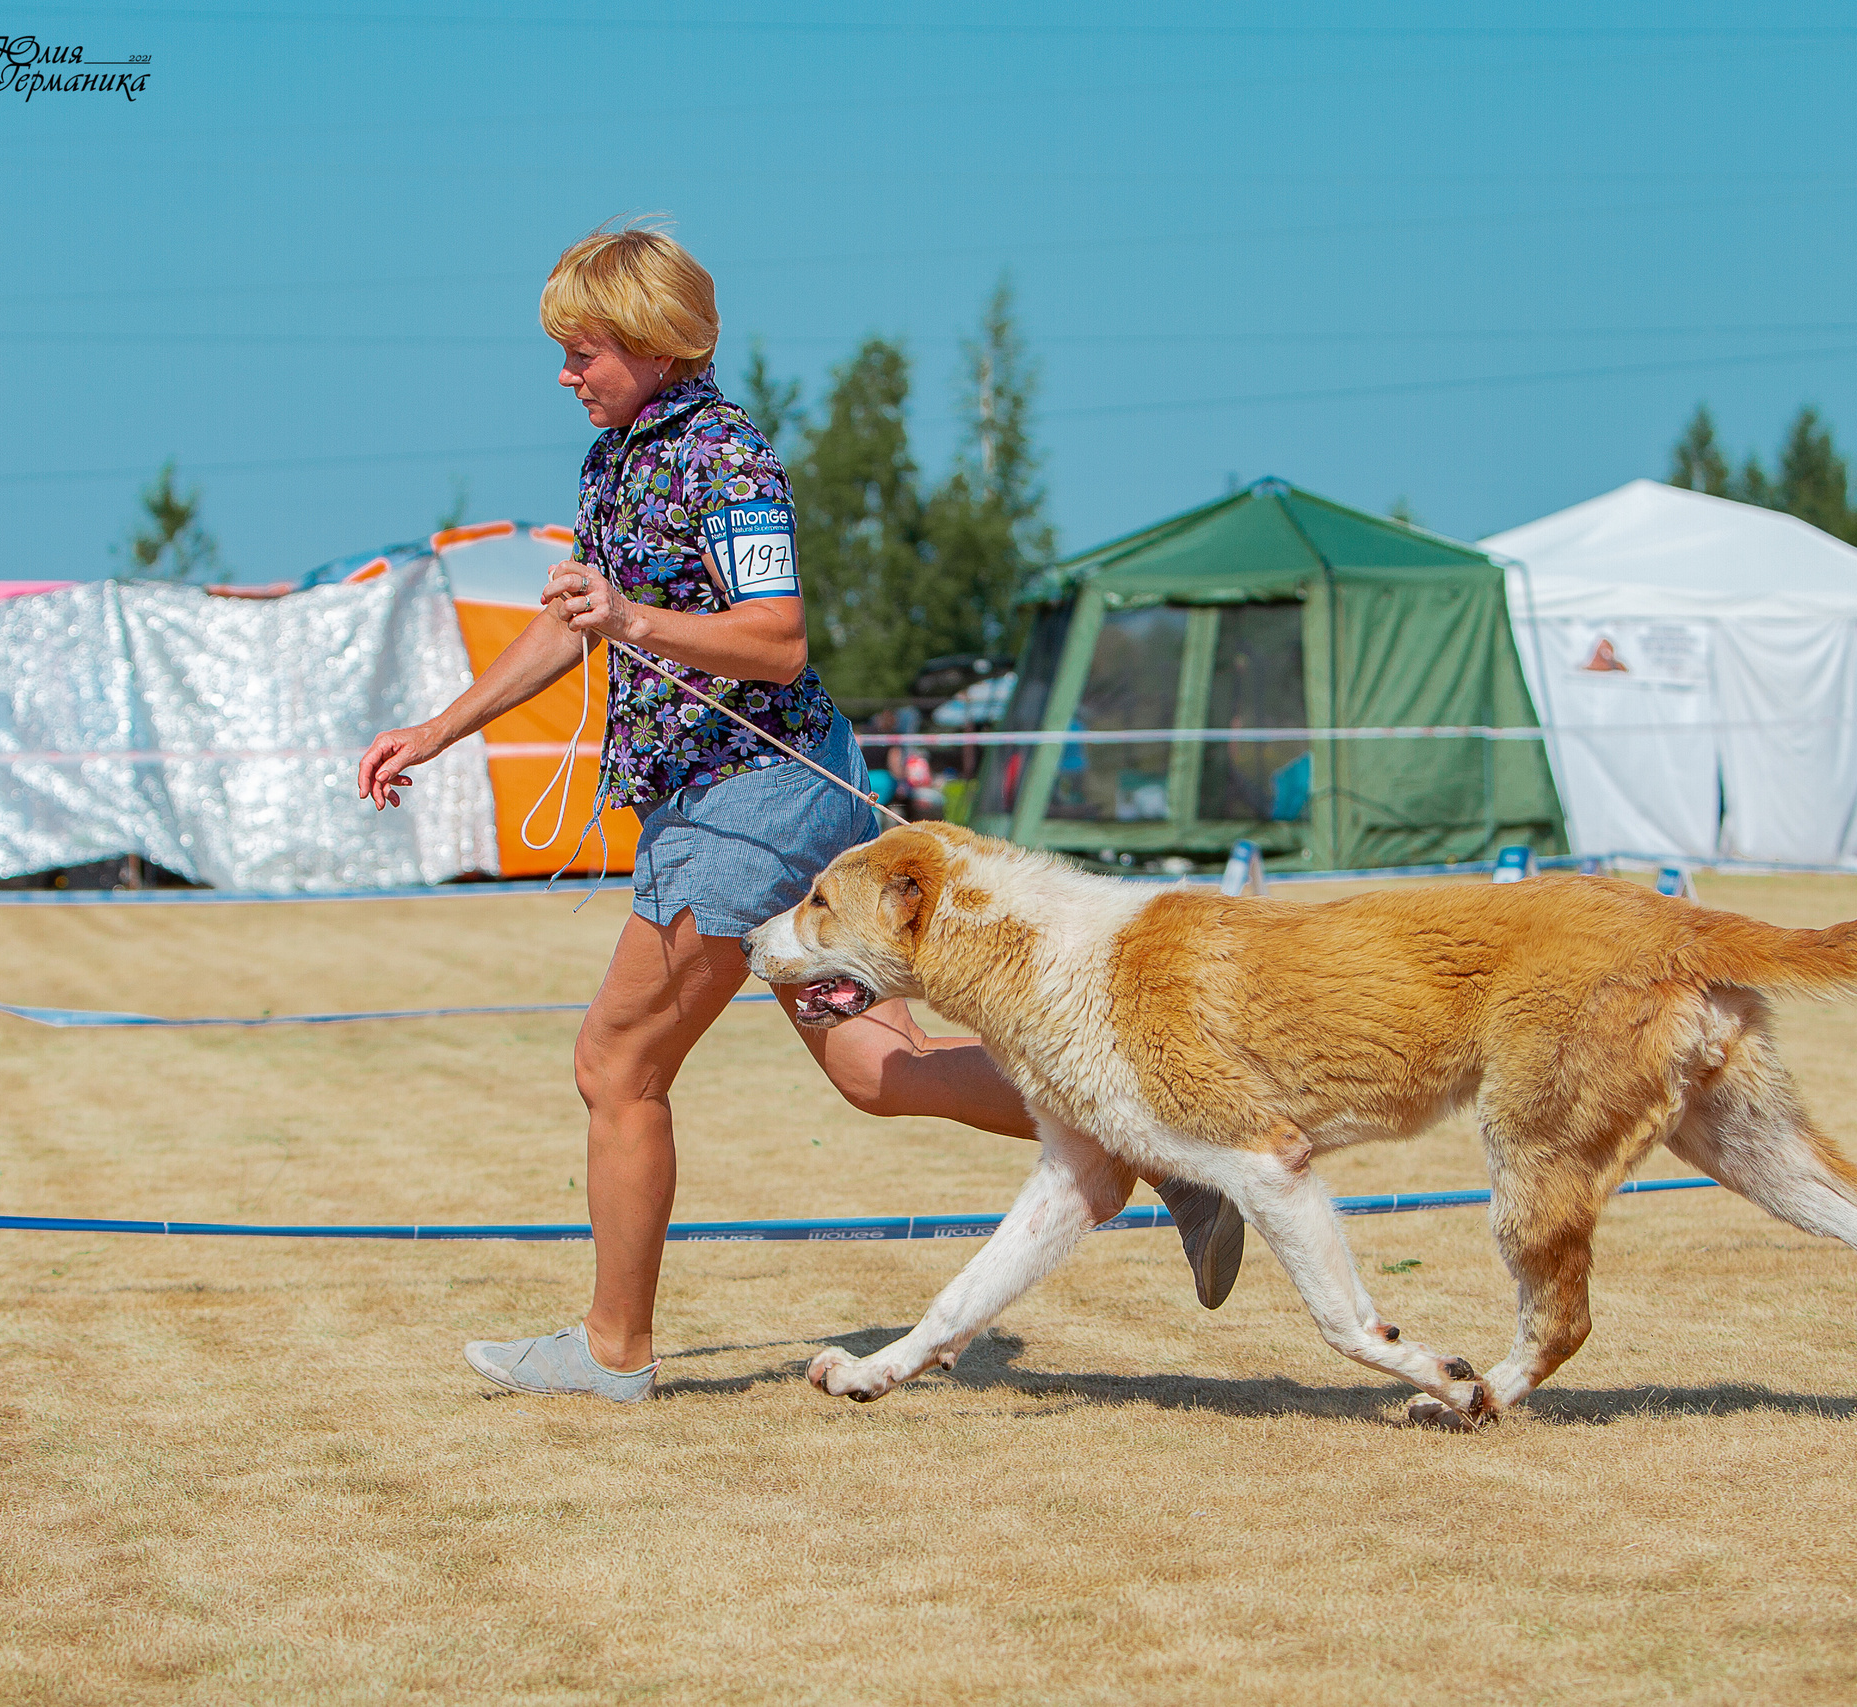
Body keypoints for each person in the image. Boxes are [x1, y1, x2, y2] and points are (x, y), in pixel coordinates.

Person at [356, 222, 1241, 1403]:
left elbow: (776, 641)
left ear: (658, 342)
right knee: (878, 1071)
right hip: (757, 804)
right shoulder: (619, 454)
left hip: (748, 808)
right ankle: (1157, 1143)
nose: (565, 374)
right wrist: (435, 730)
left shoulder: (726, 460)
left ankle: (612, 1351)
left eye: (585, 350)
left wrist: (633, 622)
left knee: (616, 1063)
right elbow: (569, 619)